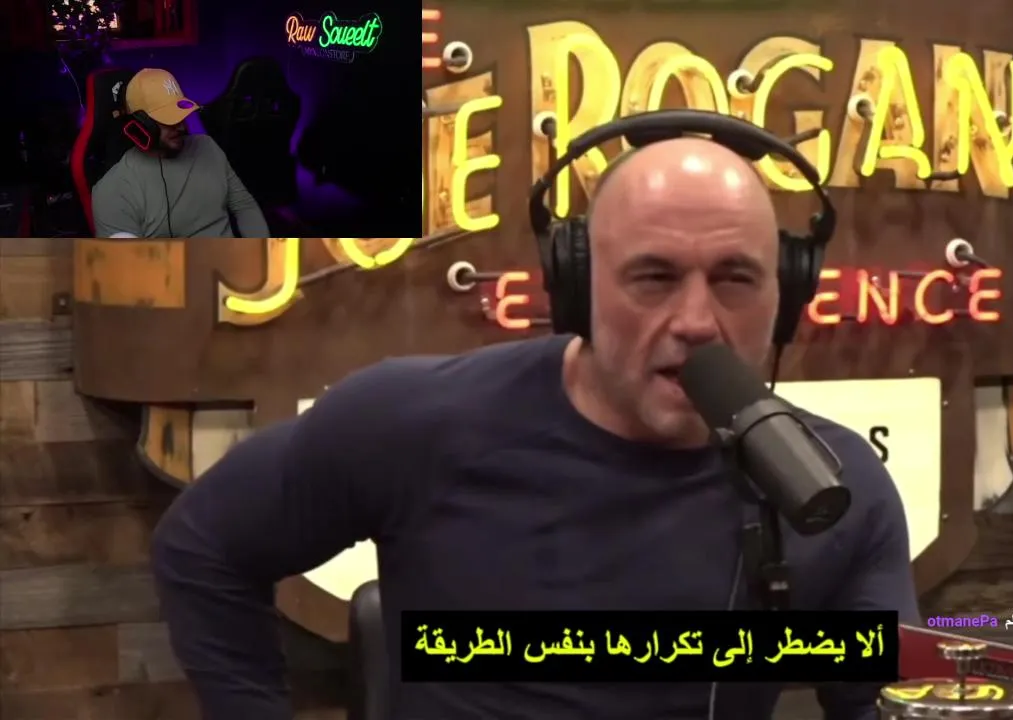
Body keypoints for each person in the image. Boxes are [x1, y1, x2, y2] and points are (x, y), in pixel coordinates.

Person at [150, 136, 920, 719]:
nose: (695, 320)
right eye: (653, 278)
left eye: (734, 279)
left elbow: (891, 696)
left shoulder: (831, 486)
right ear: (578, 290)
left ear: (785, 298)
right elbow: (206, 545)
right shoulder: (417, 423)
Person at [91, 68, 269, 238]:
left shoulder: (208, 147)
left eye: (180, 115)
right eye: (168, 119)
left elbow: (244, 206)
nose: (181, 126)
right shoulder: (113, 190)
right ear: (142, 125)